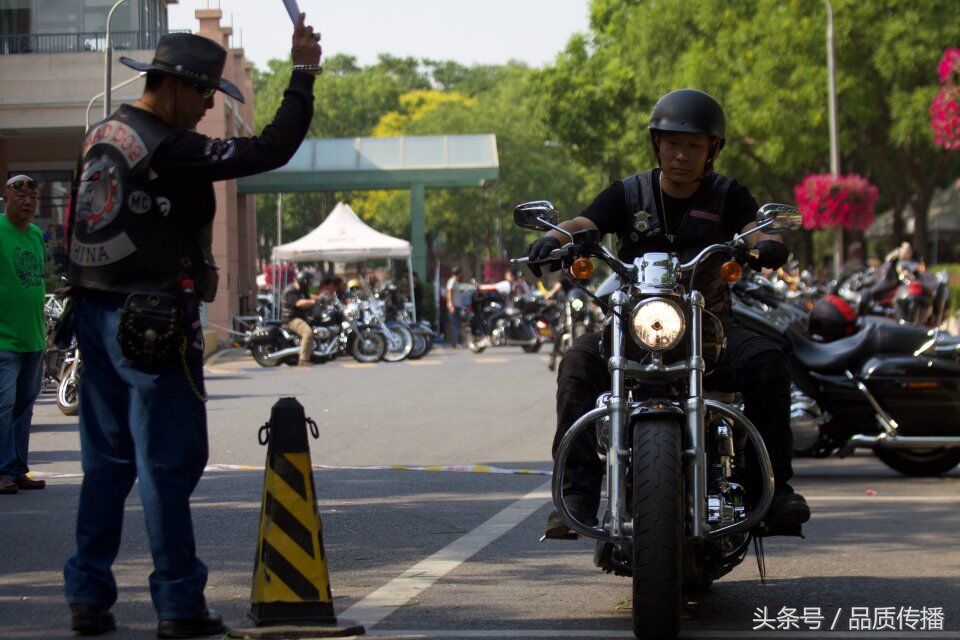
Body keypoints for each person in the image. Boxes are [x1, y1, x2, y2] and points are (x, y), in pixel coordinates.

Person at [62, 17, 321, 638]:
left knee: (106, 465)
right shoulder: (168, 147)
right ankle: (178, 605)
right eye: (205, 94)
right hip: (149, 327)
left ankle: (87, 596)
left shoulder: (103, 133)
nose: (208, 107)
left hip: (93, 317)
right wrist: (304, 74)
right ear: (176, 85)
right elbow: (269, 149)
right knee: (166, 465)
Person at [526, 89, 810, 540]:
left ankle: (771, 493)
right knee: (578, 364)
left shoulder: (727, 194)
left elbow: (754, 229)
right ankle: (576, 493)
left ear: (711, 150)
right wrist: (559, 237)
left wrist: (764, 245)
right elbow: (587, 222)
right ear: (657, 144)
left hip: (710, 326)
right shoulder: (629, 192)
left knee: (768, 362)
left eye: (694, 146)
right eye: (673, 144)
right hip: (632, 327)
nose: (682, 155)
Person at [0, 175, 47, 495]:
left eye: (32, 197)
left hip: (33, 335)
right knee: (3, 404)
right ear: (5, 198)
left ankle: (17, 469)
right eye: (20, 196)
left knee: (23, 408)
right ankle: (3, 471)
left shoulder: (36, 235)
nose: (27, 201)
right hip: (3, 337)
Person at [281, 270, 319, 366]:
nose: (310, 284)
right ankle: (303, 360)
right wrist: (312, 302)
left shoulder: (301, 290)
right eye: (309, 281)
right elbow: (298, 303)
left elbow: (310, 296)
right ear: (304, 281)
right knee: (308, 332)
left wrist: (322, 297)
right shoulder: (290, 291)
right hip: (291, 319)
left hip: (301, 316)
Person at [445, 267, 463, 347]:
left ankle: (457, 342)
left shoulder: (456, 282)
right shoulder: (451, 282)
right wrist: (450, 305)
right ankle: (455, 342)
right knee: (454, 324)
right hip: (453, 307)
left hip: (457, 306)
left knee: (457, 324)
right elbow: (449, 293)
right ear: (458, 274)